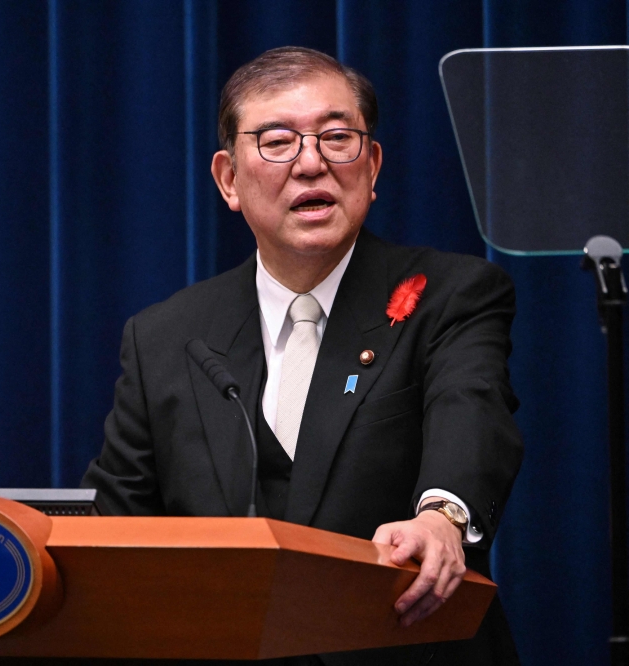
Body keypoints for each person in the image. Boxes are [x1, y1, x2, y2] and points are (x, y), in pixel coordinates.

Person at [81, 47, 523, 666]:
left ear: (372, 166)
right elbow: (114, 527)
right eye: (277, 141)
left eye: (337, 137)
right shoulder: (165, 336)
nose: (311, 163)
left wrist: (442, 518)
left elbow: (470, 410)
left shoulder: (452, 295)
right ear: (229, 179)